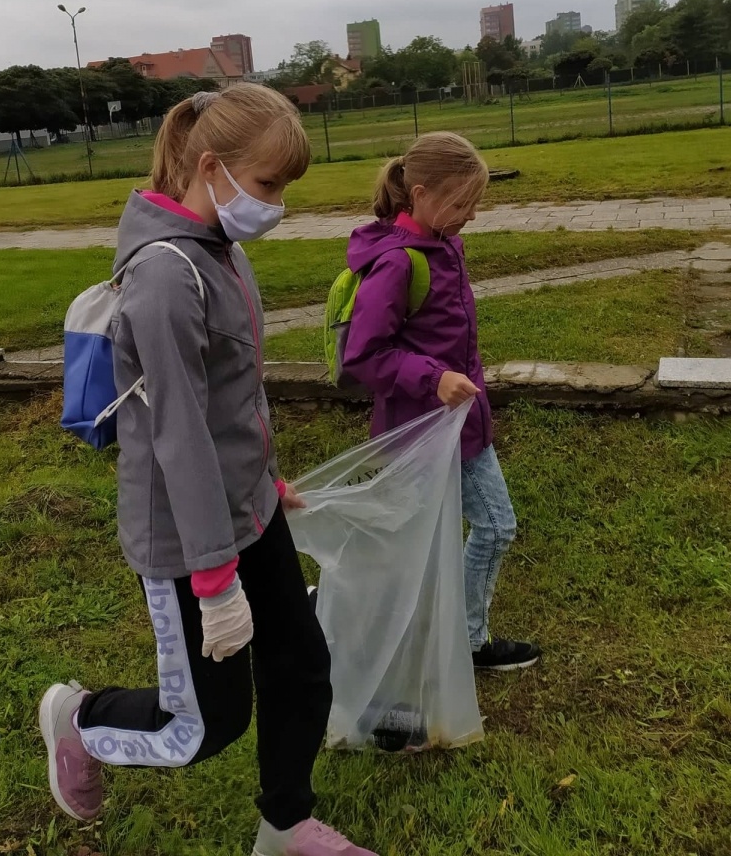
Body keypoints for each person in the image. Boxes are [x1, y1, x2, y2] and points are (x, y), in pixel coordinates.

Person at [40, 84, 378, 856]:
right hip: (189, 543)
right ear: (213, 167)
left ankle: (285, 828)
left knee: (301, 663)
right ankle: (81, 720)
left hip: (246, 510)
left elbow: (234, 397)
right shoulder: (165, 279)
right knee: (202, 727)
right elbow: (178, 437)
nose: (276, 204)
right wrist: (214, 580)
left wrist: (266, 478)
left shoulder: (221, 251)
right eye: (267, 185)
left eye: (285, 187)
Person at [341, 132, 540, 673]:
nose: (470, 216)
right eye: (462, 204)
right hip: (421, 430)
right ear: (421, 193)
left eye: (475, 205)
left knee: (435, 537)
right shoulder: (398, 263)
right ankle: (454, 638)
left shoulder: (445, 242)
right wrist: (434, 379)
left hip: (462, 423)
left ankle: (451, 634)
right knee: (472, 531)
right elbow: (363, 355)